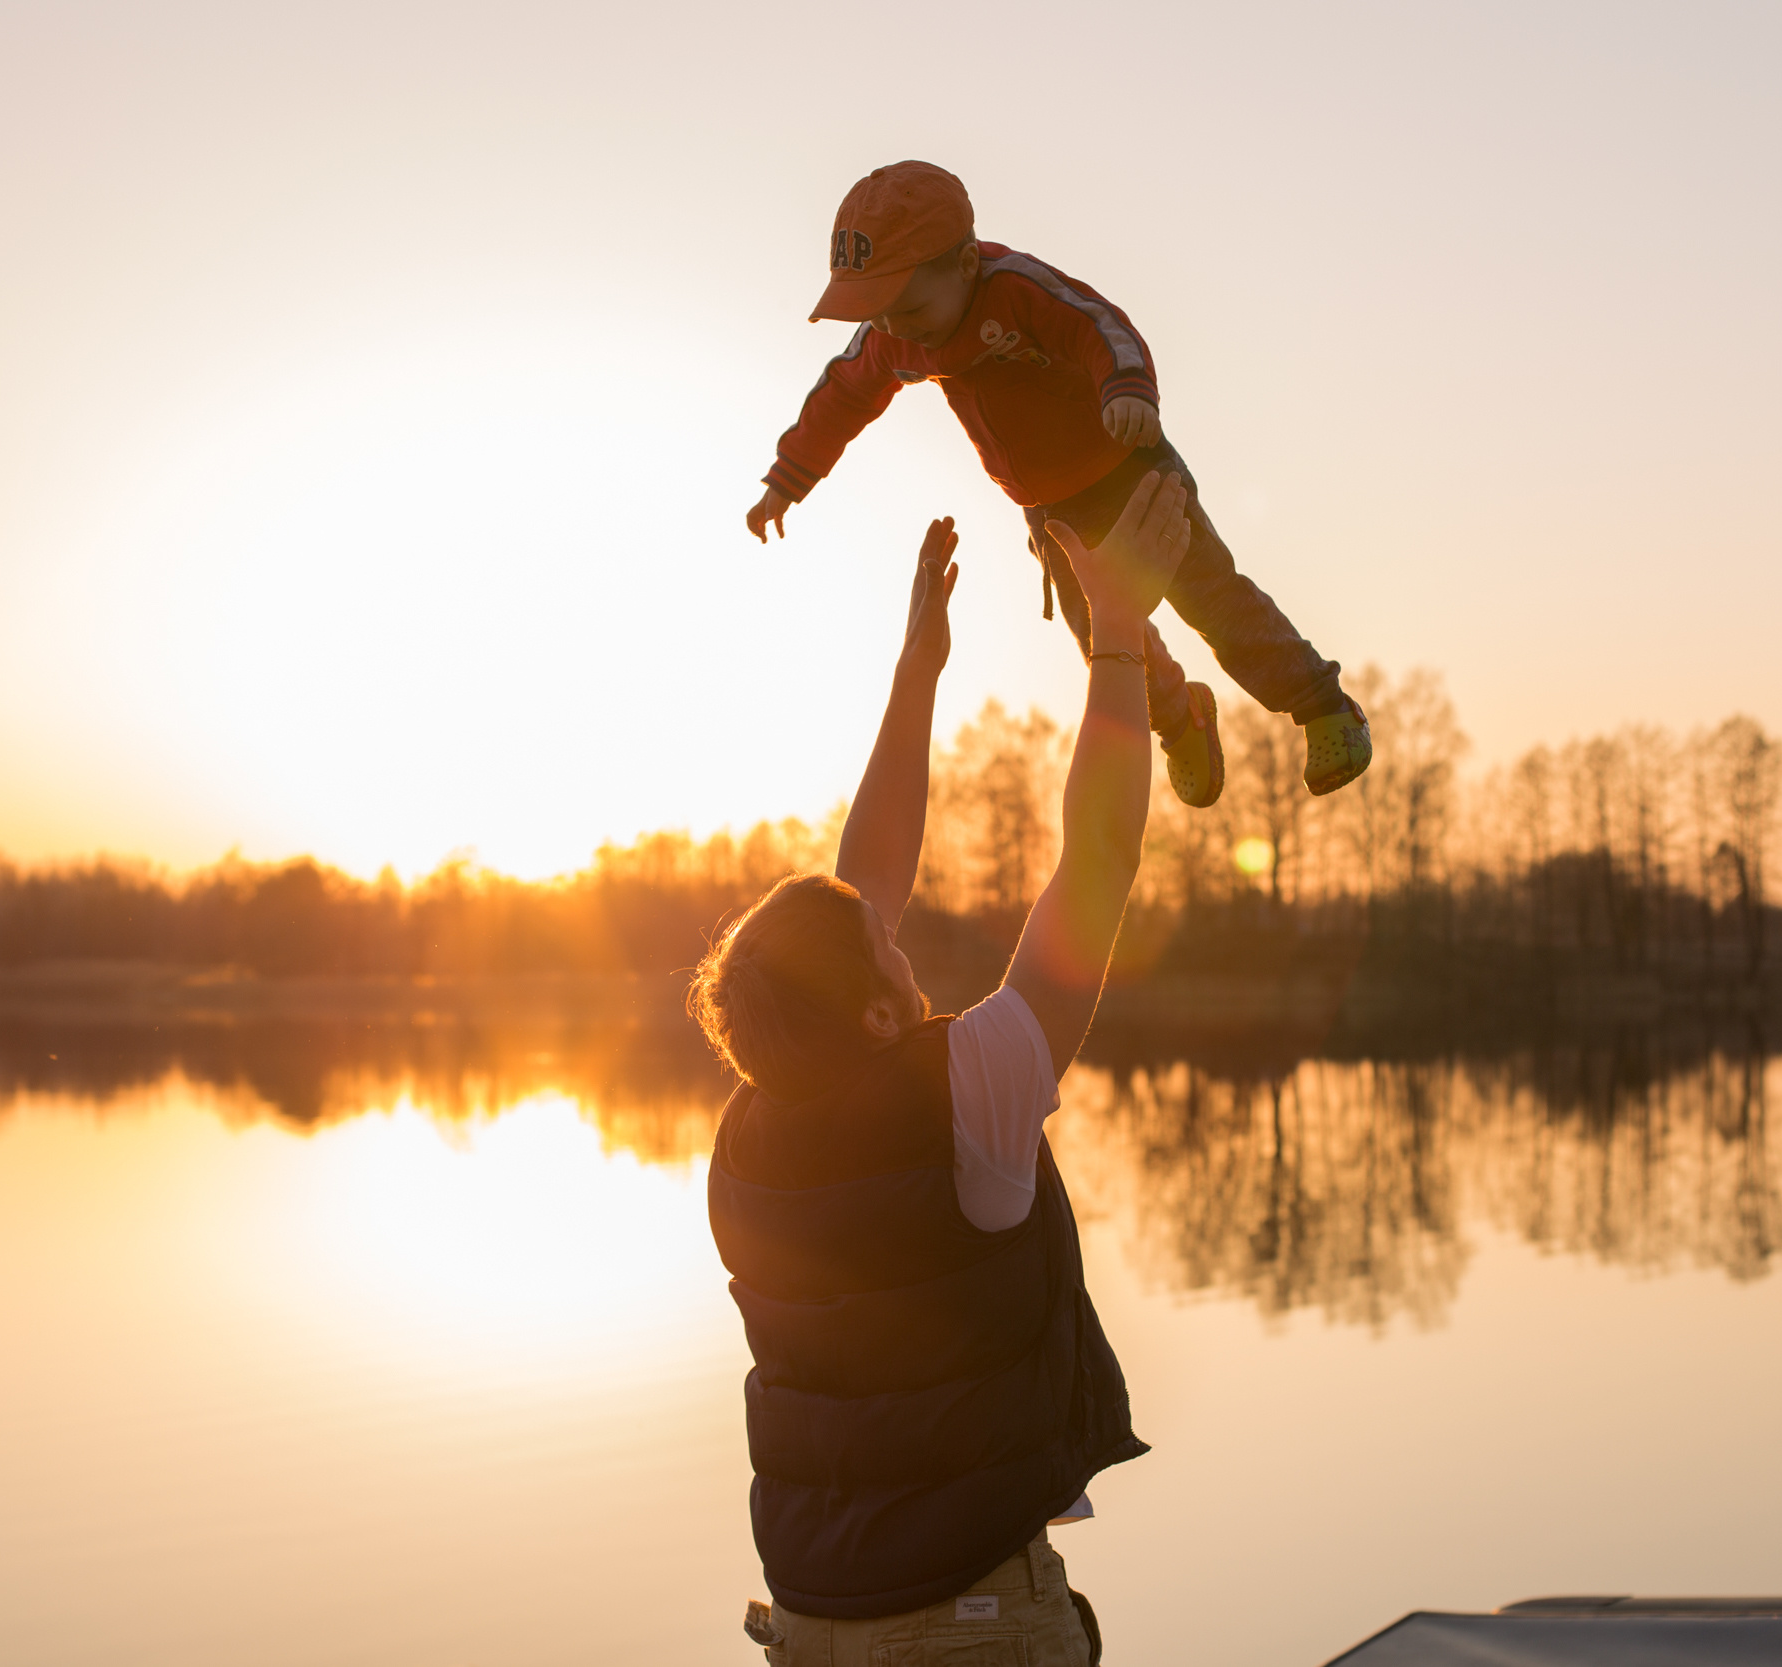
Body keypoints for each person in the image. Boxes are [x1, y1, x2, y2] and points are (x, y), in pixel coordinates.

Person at [694, 470, 1199, 1667]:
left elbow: (858, 890)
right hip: (964, 1631)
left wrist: (918, 671)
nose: (896, 925)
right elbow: (1098, 862)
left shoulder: (748, 1134)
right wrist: (1117, 641)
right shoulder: (965, 1090)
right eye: (885, 944)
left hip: (810, 1625)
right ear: (873, 1012)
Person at [743, 158, 1372, 810]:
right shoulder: (892, 338)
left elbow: (1099, 326)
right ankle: (1182, 719)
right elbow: (842, 396)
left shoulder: (1016, 290)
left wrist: (1126, 390)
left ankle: (1323, 706)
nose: (897, 329)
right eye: (877, 312)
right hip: (1052, 512)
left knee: (1209, 601)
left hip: (1130, 470)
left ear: (963, 267)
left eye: (908, 306)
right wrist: (788, 481)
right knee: (1104, 642)